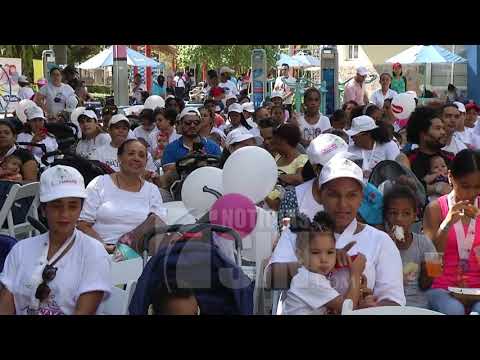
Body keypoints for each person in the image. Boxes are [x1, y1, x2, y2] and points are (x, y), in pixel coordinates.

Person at [268, 155, 406, 308]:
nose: (342, 204)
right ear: (320, 195)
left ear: (361, 198)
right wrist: (322, 261)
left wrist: (369, 308)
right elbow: (273, 278)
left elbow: (393, 300)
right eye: (334, 194)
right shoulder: (298, 232)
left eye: (351, 195)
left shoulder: (380, 241)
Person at [0, 165, 111, 315]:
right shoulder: (21, 250)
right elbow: (5, 306)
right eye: (56, 206)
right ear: (44, 210)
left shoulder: (94, 253)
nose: (64, 214)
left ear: (80, 209)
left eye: (72, 206)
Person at [78, 139, 166, 250]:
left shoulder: (152, 190)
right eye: (131, 153)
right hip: (100, 251)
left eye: (141, 155)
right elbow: (83, 224)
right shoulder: (100, 183)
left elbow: (157, 228)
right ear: (119, 158)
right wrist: (103, 247)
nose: (136, 158)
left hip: (138, 254)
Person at [423, 149, 480, 314]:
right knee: (454, 309)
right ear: (450, 177)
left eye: (477, 187)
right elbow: (431, 267)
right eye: (465, 186)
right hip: (442, 287)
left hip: (476, 290)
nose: (471, 194)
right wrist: (446, 225)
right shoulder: (435, 209)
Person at [283, 212, 366, 315]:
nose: (324, 259)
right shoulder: (311, 280)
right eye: (315, 252)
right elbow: (347, 309)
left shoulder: (308, 275)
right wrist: (356, 273)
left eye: (330, 252)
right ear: (300, 256)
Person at [383, 185, 436, 308]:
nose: (399, 219)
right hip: (388, 305)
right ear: (386, 216)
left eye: (406, 213)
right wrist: (388, 247)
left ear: (414, 216)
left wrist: (429, 273)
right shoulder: (380, 243)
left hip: (417, 305)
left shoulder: (423, 244)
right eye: (393, 213)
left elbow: (425, 285)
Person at [398, 106, 454, 196]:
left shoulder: (451, 158)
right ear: (423, 134)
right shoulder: (407, 159)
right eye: (438, 128)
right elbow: (407, 189)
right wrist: (436, 187)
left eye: (443, 128)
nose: (443, 132)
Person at [160, 108, 221, 183]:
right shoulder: (170, 149)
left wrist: (205, 161)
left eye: (196, 122)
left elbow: (219, 172)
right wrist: (185, 161)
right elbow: (167, 178)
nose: (192, 125)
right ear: (181, 123)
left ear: (201, 124)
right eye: (188, 123)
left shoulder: (213, 147)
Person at [264, 124, 308, 211]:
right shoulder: (277, 157)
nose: (273, 141)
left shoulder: (302, 159)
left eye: (275, 138)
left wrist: (276, 176)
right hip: (267, 204)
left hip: (285, 208)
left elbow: (299, 178)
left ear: (282, 140)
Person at [92, 114, 156, 173]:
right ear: (109, 130)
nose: (121, 131)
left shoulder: (141, 153)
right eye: (117, 128)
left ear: (128, 131)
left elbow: (151, 173)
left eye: (124, 128)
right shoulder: (98, 153)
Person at [346, 115, 400, 180]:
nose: (352, 138)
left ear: (367, 134)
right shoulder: (350, 150)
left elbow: (395, 172)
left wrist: (375, 173)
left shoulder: (389, 146)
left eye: (355, 136)